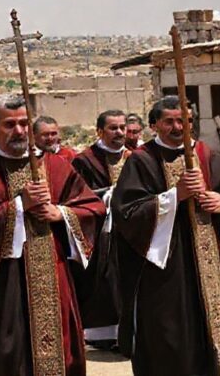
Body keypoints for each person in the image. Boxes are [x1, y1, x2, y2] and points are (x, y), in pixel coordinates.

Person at [0, 93, 105, 376]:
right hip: (2, 285)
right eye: (9, 124)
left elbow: (93, 207)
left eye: (24, 123)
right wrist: (18, 207)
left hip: (54, 279)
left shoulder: (54, 165)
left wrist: (60, 214)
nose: (19, 131)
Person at [112, 96, 220, 375]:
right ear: (154, 125)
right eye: (170, 121)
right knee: (169, 337)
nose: (179, 127)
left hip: (212, 266)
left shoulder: (207, 156)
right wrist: (174, 196)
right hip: (165, 272)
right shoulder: (142, 161)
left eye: (185, 120)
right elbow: (126, 213)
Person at [70, 110, 129, 350]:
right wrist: (107, 195)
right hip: (99, 232)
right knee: (103, 280)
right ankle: (101, 334)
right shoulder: (84, 160)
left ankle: (128, 331)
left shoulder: (135, 157)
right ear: (99, 132)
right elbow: (76, 196)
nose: (120, 133)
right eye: (113, 128)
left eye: (122, 127)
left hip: (129, 231)